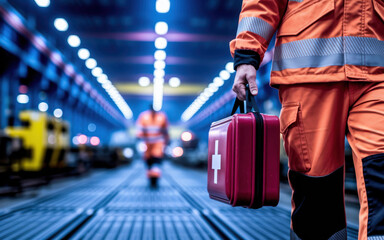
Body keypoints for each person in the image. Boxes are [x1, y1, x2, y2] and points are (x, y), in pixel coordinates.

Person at [230, 1, 384, 239]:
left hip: (377, 75)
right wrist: (247, 55)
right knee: (316, 192)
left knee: (381, 173)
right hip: (309, 73)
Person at [136, 105, 169, 186]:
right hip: (147, 143)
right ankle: (151, 176)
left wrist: (167, 139)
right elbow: (140, 128)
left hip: (158, 142)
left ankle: (154, 178)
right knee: (148, 160)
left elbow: (165, 130)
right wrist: (139, 137)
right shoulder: (144, 117)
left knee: (156, 158)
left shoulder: (162, 117)